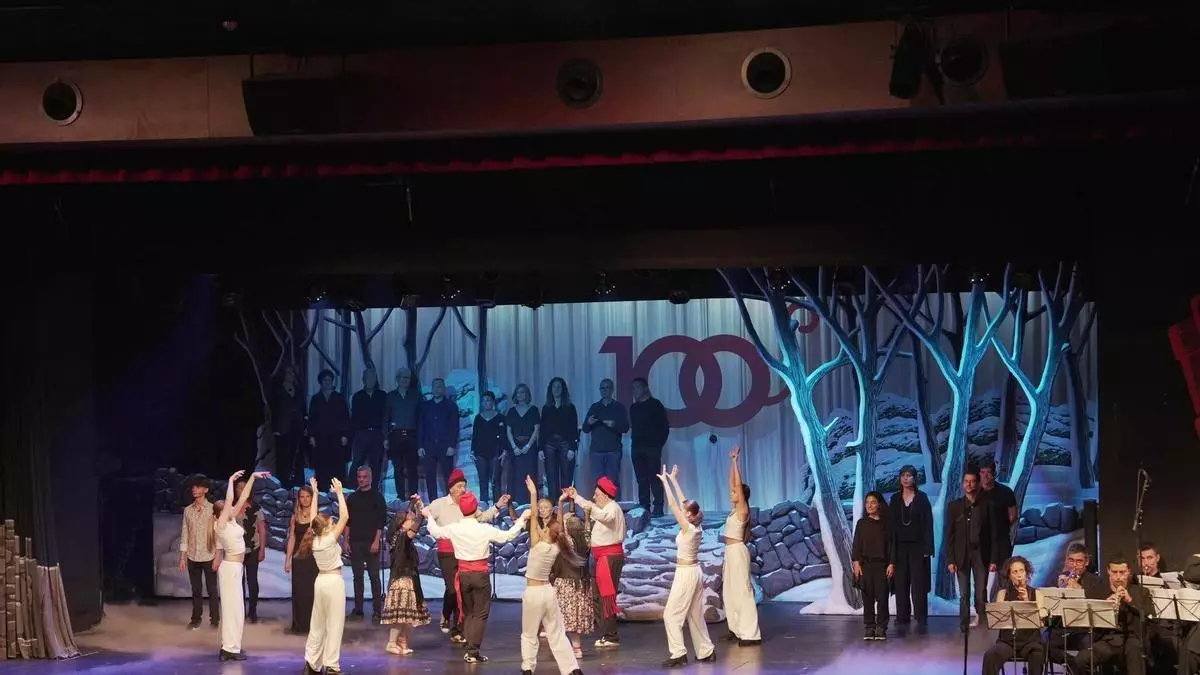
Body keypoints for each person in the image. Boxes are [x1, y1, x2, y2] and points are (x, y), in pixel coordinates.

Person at [423, 491, 531, 663]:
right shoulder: (483, 529)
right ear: (475, 509)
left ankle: (470, 647)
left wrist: (429, 516)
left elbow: (435, 532)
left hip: (463, 575)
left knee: (468, 612)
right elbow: (508, 536)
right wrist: (522, 519)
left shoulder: (455, 528)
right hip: (479, 575)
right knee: (480, 613)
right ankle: (472, 651)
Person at [425, 467, 512, 643]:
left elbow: (483, 517)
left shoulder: (468, 504)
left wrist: (497, 506)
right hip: (447, 553)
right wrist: (420, 510)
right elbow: (426, 515)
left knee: (463, 593)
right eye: (459, 486)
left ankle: (458, 630)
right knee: (452, 589)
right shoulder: (439, 504)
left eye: (464, 486)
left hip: (463, 553)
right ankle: (445, 613)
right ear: (451, 488)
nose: (463, 489)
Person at [521, 475, 586, 675]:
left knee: (529, 634)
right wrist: (559, 503)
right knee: (556, 633)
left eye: (544, 530)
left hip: (534, 592)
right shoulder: (557, 546)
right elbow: (559, 526)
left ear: (548, 533)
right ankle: (572, 669)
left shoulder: (536, 543)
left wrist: (533, 493)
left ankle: (527, 668)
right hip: (548, 593)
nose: (541, 530)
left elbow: (533, 516)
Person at [657, 464, 715, 667]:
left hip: (686, 573)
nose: (682, 512)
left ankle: (678, 653)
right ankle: (706, 650)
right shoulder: (696, 526)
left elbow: (674, 505)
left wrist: (665, 483)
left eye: (685, 512)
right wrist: (674, 480)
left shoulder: (689, 528)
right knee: (695, 614)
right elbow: (683, 503)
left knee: (670, 614)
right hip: (694, 571)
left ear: (689, 515)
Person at [212, 470, 269, 661]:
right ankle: (228, 648)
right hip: (230, 569)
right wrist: (230, 481)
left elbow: (242, 498)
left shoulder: (231, 520)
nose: (230, 507)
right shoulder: (220, 525)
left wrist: (252, 477)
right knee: (231, 610)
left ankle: (233, 646)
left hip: (235, 568)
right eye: (225, 507)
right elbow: (231, 499)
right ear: (220, 513)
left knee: (237, 611)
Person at [568, 476, 626, 649]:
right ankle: (606, 633)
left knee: (606, 597)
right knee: (598, 597)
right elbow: (596, 512)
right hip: (601, 557)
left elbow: (603, 516)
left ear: (606, 495)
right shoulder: (606, 508)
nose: (594, 498)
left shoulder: (613, 509)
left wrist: (584, 504)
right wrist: (576, 497)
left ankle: (611, 636)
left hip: (609, 557)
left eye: (597, 495)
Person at [300, 478, 350, 675]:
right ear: (327, 527)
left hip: (320, 582)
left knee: (317, 623)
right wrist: (339, 492)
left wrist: (314, 491)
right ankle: (332, 665)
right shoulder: (329, 539)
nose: (333, 522)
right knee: (334, 624)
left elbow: (313, 518)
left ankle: (311, 663)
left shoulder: (315, 540)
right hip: (333, 582)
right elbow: (345, 516)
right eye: (330, 522)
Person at [945, 467, 1002, 631]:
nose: (969, 484)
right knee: (964, 593)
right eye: (966, 481)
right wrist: (950, 560)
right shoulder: (955, 506)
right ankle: (963, 624)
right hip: (961, 554)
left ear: (978, 484)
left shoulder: (988, 505)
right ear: (963, 484)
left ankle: (981, 619)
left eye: (972, 481)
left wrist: (993, 559)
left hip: (981, 554)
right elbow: (949, 535)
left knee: (980, 592)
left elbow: (994, 535)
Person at [1074, 555, 1152, 675]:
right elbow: (1088, 622)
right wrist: (1104, 606)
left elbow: (1149, 617)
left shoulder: (1141, 592)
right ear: (1108, 571)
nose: (1118, 577)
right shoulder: (1097, 591)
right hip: (1107, 640)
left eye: (1122, 572)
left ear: (1129, 572)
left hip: (1132, 638)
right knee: (1081, 660)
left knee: (1135, 650)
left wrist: (1130, 601)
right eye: (1114, 572)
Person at [981, 556, 1047, 675]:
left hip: (1030, 642)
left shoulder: (1037, 593)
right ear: (1010, 576)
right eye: (1014, 572)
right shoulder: (1002, 594)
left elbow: (1041, 623)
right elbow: (999, 619)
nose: (1019, 575)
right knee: (990, 656)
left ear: (1027, 573)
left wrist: (1027, 601)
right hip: (1007, 642)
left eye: (1021, 571)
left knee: (1037, 656)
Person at [721, 446, 760, 645]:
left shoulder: (743, 510)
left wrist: (736, 462)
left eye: (735, 492)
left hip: (737, 551)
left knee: (742, 591)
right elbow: (732, 482)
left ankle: (751, 634)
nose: (731, 492)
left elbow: (737, 483)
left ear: (742, 496)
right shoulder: (734, 509)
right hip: (730, 552)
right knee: (729, 591)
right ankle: (735, 629)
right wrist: (731, 462)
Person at [888, 465, 933, 632]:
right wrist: (891, 552)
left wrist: (928, 548)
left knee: (918, 585)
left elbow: (928, 524)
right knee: (901, 584)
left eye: (909, 475)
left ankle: (921, 618)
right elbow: (891, 526)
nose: (906, 478)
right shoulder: (895, 499)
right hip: (900, 548)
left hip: (918, 548)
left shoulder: (922, 498)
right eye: (903, 475)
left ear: (914, 478)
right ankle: (902, 617)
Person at [1047, 542, 1106, 669]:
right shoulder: (1057, 579)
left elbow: (1098, 605)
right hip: (1062, 628)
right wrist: (1059, 591)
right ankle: (1072, 664)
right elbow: (1048, 608)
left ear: (1086, 562)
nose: (1074, 565)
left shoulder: (1096, 581)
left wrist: (1079, 589)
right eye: (1071, 560)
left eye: (1079, 561)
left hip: (1084, 630)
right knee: (1041, 645)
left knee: (1089, 649)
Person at [381, 505, 430, 656]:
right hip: (401, 580)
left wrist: (415, 506)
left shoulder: (401, 537)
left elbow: (411, 525)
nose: (413, 522)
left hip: (409, 578)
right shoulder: (401, 537)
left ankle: (402, 641)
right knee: (400, 615)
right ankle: (391, 643)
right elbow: (414, 529)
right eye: (410, 520)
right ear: (402, 523)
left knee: (408, 615)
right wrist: (421, 516)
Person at [344, 466, 388, 621]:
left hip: (371, 542)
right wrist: (345, 540)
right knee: (357, 576)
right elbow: (348, 521)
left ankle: (377, 610)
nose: (361, 479)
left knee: (374, 576)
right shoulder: (352, 498)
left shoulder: (377, 497)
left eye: (364, 477)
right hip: (355, 542)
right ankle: (358, 610)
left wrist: (376, 541)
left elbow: (381, 522)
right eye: (359, 477)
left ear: (370, 478)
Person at [554, 489, 594, 658]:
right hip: (582, 583)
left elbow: (559, 527)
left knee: (565, 617)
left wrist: (560, 502)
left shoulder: (567, 541)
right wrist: (586, 514)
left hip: (567, 583)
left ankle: (567, 647)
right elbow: (587, 527)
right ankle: (576, 647)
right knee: (576, 618)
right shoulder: (586, 540)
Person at [178, 473, 219, 630]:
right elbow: (185, 534)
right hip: (192, 556)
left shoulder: (213, 509)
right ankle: (196, 619)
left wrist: (217, 556)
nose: (194, 489)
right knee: (196, 590)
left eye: (198, 486)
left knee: (212, 590)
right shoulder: (188, 510)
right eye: (193, 487)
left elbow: (217, 534)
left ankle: (215, 620)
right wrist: (182, 557)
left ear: (206, 489)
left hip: (209, 555)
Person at [852, 490, 893, 641]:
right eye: (867, 502)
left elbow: (892, 546)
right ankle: (869, 626)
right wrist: (856, 562)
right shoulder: (861, 524)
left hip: (882, 565)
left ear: (879, 504)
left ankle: (881, 627)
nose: (869, 505)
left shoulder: (886, 524)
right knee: (867, 598)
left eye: (873, 502)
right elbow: (856, 544)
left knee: (882, 598)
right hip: (865, 565)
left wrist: (891, 563)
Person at [629, 377, 669, 517]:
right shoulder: (634, 408)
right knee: (641, 479)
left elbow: (664, 427)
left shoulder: (656, 405)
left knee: (654, 477)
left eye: (637, 387)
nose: (635, 391)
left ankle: (658, 507)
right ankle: (644, 506)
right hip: (637, 447)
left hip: (652, 447)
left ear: (645, 388)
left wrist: (658, 444)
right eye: (633, 388)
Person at [581, 379, 628, 497]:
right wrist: (589, 423)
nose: (604, 390)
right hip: (597, 450)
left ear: (612, 390)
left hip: (613, 450)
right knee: (598, 482)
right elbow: (585, 429)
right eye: (602, 388)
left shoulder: (619, 407)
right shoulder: (595, 407)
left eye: (607, 388)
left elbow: (626, 428)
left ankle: (615, 505)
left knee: (613, 481)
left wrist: (614, 425)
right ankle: (599, 506)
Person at [978, 457, 1017, 600]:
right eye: (982, 472)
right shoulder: (975, 493)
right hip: (981, 541)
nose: (985, 475)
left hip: (1001, 540)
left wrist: (1000, 527)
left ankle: (1002, 605)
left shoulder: (1005, 492)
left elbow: (1013, 515)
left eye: (988, 472)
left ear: (994, 474)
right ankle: (982, 608)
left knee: (1003, 576)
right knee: (981, 579)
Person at [418, 377, 460, 501]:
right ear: (432, 389)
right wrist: (420, 446)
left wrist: (452, 446)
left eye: (440, 386)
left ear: (444, 389)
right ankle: (433, 503)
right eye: (435, 387)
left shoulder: (451, 406)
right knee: (430, 477)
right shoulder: (425, 406)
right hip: (429, 446)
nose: (437, 389)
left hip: (445, 446)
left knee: (448, 476)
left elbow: (454, 427)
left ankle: (450, 502)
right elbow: (421, 426)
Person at [285, 483, 319, 634]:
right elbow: (292, 538)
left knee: (311, 591)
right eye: (302, 497)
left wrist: (316, 491)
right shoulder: (295, 516)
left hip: (312, 558)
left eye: (308, 496)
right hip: (298, 559)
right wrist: (287, 560)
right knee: (298, 592)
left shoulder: (316, 516)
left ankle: (312, 625)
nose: (305, 499)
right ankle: (299, 624)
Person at [384, 367, 422, 500]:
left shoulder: (416, 395)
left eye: (408, 378)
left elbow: (420, 418)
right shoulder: (391, 396)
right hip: (396, 436)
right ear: (397, 379)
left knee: (412, 469)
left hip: (412, 436)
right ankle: (400, 497)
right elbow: (386, 418)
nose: (406, 380)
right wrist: (385, 438)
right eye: (403, 377)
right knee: (398, 468)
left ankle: (414, 498)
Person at [233, 476, 267, 624]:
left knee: (252, 581)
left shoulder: (256, 507)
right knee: (237, 582)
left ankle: (252, 611)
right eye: (239, 487)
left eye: (244, 487)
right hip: (236, 550)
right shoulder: (232, 507)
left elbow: (262, 529)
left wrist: (262, 550)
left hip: (253, 548)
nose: (241, 490)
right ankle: (239, 610)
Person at [308, 369, 350, 487]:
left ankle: (337, 488)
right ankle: (322, 488)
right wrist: (311, 436)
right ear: (321, 382)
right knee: (321, 462)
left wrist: (345, 434)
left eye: (329, 380)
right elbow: (311, 418)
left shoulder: (339, 397)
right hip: (320, 437)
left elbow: (345, 417)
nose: (327, 382)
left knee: (337, 462)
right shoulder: (316, 399)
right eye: (325, 380)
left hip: (337, 436)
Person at [541, 377, 580, 500]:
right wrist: (540, 448)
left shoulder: (570, 407)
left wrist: (572, 448)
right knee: (551, 476)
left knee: (566, 476)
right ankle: (553, 504)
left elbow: (574, 429)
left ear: (563, 389)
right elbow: (542, 429)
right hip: (549, 444)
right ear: (550, 390)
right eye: (554, 387)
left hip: (565, 443)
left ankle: (566, 504)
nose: (556, 389)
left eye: (559, 387)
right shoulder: (546, 408)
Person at [347, 368, 387, 489]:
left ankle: (373, 491)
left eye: (373, 378)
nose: (370, 380)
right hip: (361, 434)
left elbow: (386, 416)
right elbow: (354, 418)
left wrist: (385, 435)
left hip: (377, 434)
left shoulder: (382, 395)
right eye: (368, 378)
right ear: (363, 380)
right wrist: (352, 436)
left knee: (376, 464)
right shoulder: (357, 396)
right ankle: (351, 491)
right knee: (357, 463)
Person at [271, 364, 306, 490]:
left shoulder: (299, 390)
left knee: (297, 456)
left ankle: (298, 484)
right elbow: (273, 410)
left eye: (292, 373)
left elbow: (303, 409)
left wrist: (305, 425)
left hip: (298, 428)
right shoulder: (278, 390)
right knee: (283, 457)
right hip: (283, 429)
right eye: (288, 373)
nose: (291, 375)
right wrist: (275, 428)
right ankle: (284, 484)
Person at [505, 383, 541, 500]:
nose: (520, 395)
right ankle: (514, 502)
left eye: (523, 392)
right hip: (515, 447)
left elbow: (536, 429)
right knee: (514, 475)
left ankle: (531, 501)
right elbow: (508, 431)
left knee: (530, 474)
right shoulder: (511, 411)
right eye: (518, 393)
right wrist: (514, 447)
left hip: (529, 447)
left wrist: (528, 446)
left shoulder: (534, 410)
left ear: (527, 394)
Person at [470, 390, 507, 503]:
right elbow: (475, 435)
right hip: (480, 453)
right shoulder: (478, 418)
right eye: (484, 401)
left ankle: (497, 506)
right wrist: (472, 451)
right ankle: (484, 505)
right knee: (483, 481)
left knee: (495, 481)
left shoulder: (500, 417)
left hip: (495, 452)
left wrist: (504, 450)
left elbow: (503, 435)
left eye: (488, 400)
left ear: (493, 402)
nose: (486, 403)